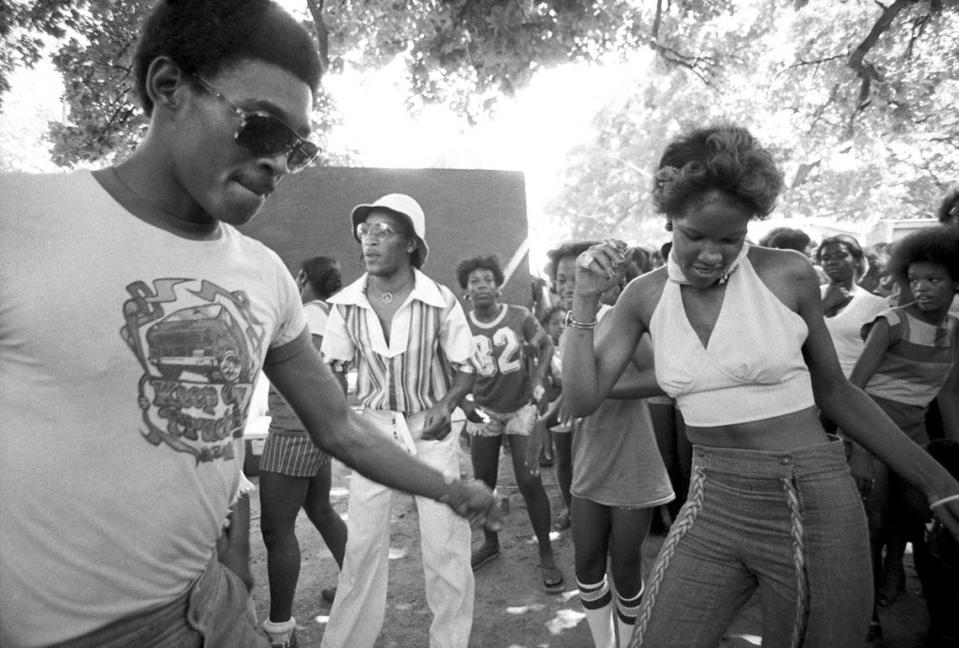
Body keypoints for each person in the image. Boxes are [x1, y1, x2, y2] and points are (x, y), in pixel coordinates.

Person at [0, 3, 499, 647]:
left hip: (213, 610)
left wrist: (449, 488)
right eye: (262, 128)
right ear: (168, 86)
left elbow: (339, 424)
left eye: (297, 146)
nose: (280, 164)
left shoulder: (263, 276)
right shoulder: (20, 223)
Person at [562, 125, 959, 648]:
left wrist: (935, 480)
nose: (711, 254)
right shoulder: (644, 295)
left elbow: (837, 393)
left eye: (731, 239)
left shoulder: (787, 275)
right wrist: (585, 301)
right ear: (669, 221)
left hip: (809, 497)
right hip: (713, 498)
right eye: (693, 235)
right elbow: (582, 398)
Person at [320, 193, 479, 648]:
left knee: (446, 547)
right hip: (373, 431)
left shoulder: (440, 300)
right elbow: (331, 367)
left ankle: (450, 642)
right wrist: (338, 424)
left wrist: (445, 406)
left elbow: (467, 366)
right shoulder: (347, 303)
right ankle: (346, 642)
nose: (370, 241)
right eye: (364, 231)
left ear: (411, 243)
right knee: (363, 546)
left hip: (431, 435)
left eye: (384, 231)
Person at [847, 225, 959, 636]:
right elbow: (851, 390)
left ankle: (896, 576)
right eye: (914, 280)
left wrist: (951, 452)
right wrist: (860, 449)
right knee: (872, 523)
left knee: (915, 517)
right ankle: (866, 611)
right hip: (871, 432)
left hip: (915, 435)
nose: (923, 288)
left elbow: (947, 394)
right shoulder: (891, 322)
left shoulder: (955, 329)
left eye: (934, 279)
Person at [568, 253, 674, 648]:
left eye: (571, 277)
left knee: (626, 565)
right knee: (587, 561)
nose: (566, 286)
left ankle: (632, 642)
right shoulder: (574, 325)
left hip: (631, 460)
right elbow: (570, 392)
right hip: (590, 458)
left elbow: (660, 376)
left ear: (611, 284)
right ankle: (604, 644)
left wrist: (599, 389)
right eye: (560, 279)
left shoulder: (621, 321)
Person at [455, 255, 564, 592]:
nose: (482, 285)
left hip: (520, 408)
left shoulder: (520, 316)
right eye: (474, 281)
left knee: (529, 479)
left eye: (488, 279)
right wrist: (464, 402)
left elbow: (546, 344)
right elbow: (449, 367)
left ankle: (546, 551)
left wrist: (538, 380)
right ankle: (491, 544)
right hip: (483, 411)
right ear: (466, 290)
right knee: (483, 482)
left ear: (498, 285)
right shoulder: (459, 325)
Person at [258, 256, 348, 646]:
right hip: (314, 427)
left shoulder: (307, 317)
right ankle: (355, 587)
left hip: (294, 430)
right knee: (320, 509)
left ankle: (280, 631)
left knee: (276, 529)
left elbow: (299, 377)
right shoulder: (329, 314)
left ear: (302, 278)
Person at [545, 241, 599, 531]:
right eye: (562, 280)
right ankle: (570, 508)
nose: (567, 287)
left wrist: (589, 390)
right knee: (564, 457)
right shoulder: (565, 326)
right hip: (568, 411)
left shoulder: (610, 320)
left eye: (576, 280)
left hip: (603, 426)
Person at [815, 234, 887, 379]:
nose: (832, 262)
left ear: (857, 260)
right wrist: (825, 305)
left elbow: (878, 356)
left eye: (841, 256)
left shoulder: (875, 304)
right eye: (826, 258)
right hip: (810, 384)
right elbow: (793, 334)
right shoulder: (811, 294)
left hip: (851, 384)